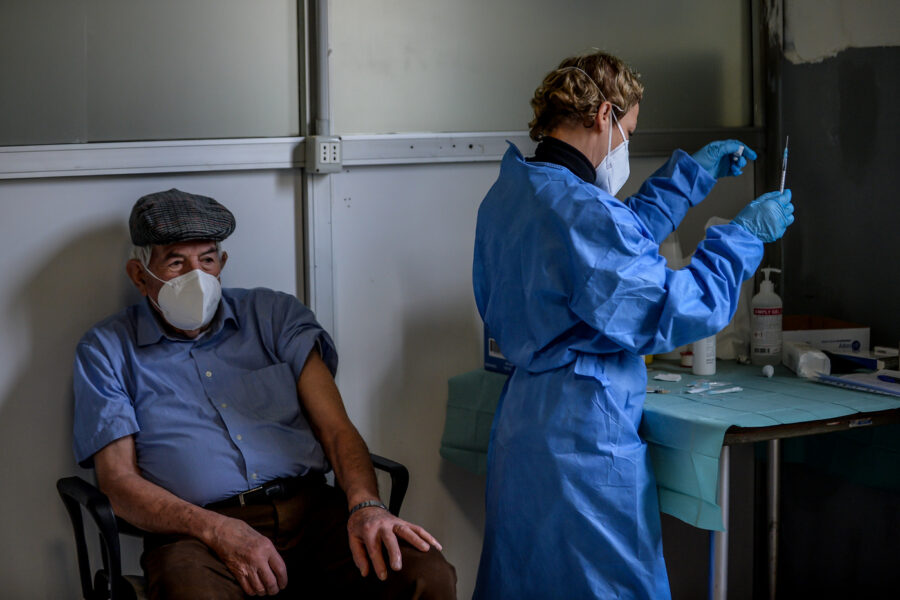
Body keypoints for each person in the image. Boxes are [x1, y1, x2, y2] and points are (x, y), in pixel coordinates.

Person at [471, 52, 794, 598]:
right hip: (582, 439)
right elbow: (675, 305)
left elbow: (605, 252)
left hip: (524, 430)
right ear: (603, 115)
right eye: (629, 131)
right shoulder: (580, 212)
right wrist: (743, 236)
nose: (625, 146)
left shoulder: (516, 193)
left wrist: (689, 178)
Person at [72, 188, 457, 599]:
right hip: (196, 533)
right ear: (139, 275)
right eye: (175, 262)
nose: (195, 277)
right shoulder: (106, 349)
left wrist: (366, 505)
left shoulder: (274, 315)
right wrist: (215, 528)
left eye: (206, 259)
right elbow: (118, 482)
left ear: (222, 264)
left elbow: (336, 429)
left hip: (312, 513)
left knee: (426, 575)